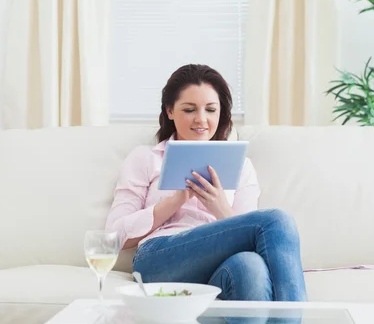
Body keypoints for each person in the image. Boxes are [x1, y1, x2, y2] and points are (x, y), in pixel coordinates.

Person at [106, 64, 306, 302]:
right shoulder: (145, 158)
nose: (201, 119)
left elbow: (250, 237)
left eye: (211, 110)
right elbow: (113, 238)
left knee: (250, 265)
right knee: (277, 220)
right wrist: (175, 201)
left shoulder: (241, 166)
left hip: (223, 263)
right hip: (159, 258)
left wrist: (219, 206)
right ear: (170, 111)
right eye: (189, 109)